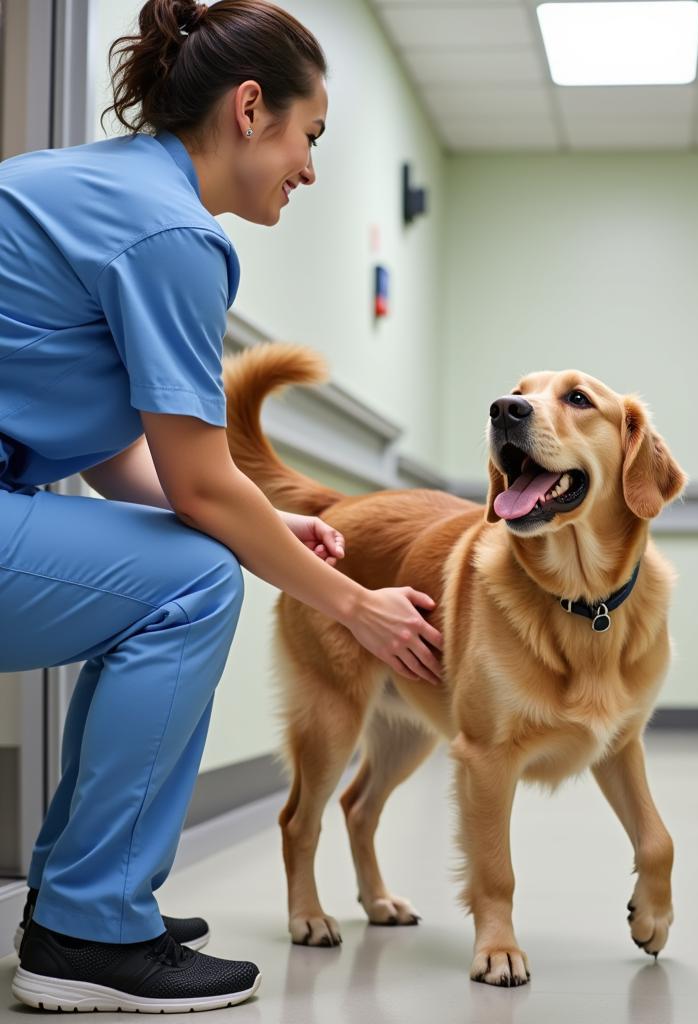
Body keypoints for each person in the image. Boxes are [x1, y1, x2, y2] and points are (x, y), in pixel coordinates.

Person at [0, 0, 443, 1012]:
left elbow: (126, 459)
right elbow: (201, 487)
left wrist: (270, 524)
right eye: (310, 136)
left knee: (192, 552)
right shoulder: (169, 233)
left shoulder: (106, 192)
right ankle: (84, 929)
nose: (311, 169)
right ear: (252, 109)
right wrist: (355, 603)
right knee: (196, 575)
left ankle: (82, 901)